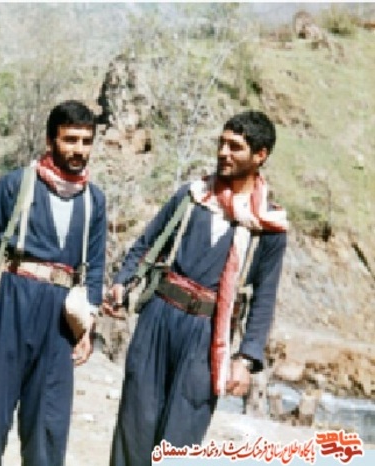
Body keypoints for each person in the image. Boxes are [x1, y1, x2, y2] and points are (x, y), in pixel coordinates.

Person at [105, 110, 289, 466]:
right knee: (134, 427)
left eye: (235, 147)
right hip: (159, 318)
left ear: (260, 155)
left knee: (181, 441)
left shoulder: (269, 227)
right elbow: (147, 243)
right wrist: (121, 284)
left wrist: (245, 358)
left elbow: (264, 299)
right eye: (222, 143)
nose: (223, 152)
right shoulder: (192, 198)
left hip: (208, 338)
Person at [0, 100, 108, 466]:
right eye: (70, 140)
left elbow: (94, 268)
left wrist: (87, 326)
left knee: (47, 425)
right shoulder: (17, 184)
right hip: (12, 302)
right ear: (50, 140)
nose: (78, 150)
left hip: (60, 316)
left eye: (86, 141)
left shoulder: (93, 201)